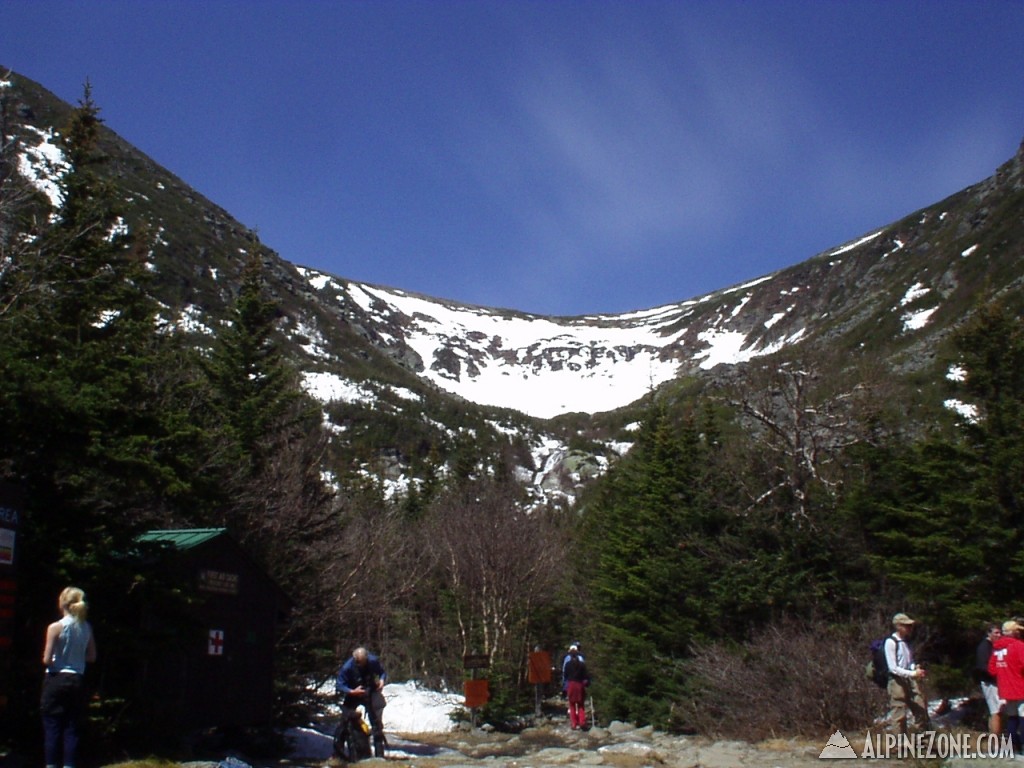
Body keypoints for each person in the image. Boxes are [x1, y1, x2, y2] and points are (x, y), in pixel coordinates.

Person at [41, 587, 97, 768]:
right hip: (77, 679)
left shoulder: (56, 627)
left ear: (62, 603)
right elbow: (92, 657)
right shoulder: (86, 627)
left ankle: (51, 765)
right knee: (72, 727)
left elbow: (47, 659)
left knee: (52, 726)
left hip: (56, 678)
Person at [336, 646, 387, 758]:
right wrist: (352, 691)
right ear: (355, 660)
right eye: (359, 662)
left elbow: (382, 672)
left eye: (363, 662)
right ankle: (337, 753)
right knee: (344, 722)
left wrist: (382, 680)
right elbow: (339, 684)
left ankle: (380, 755)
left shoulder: (373, 661)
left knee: (376, 725)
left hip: (369, 692)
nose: (361, 665)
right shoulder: (347, 667)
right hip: (353, 693)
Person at [883, 612, 929, 734]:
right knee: (899, 715)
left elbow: (909, 661)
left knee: (921, 709)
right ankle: (898, 745)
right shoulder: (890, 642)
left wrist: (915, 669)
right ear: (898, 626)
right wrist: (912, 673)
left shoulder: (906, 642)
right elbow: (893, 667)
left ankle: (924, 741)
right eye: (906, 625)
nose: (909, 628)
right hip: (897, 682)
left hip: (910, 680)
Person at [989, 620, 1024, 753]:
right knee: (1022, 717)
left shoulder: (997, 648)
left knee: (1012, 718)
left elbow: (992, 669)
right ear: (1014, 632)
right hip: (1020, 686)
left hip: (1006, 688)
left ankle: (1013, 746)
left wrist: (1004, 672)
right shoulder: (1019, 645)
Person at [975, 623, 1003, 735]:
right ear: (989, 633)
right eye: (996, 633)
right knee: (995, 711)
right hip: (989, 682)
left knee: (999, 711)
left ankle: (997, 737)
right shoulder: (984, 647)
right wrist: (996, 674)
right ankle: (995, 741)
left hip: (996, 682)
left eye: (1000, 632)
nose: (999, 635)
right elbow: (983, 666)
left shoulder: (995, 646)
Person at [563, 645, 590, 730]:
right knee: (581, 705)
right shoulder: (582, 665)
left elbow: (565, 675)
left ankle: (574, 724)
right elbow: (586, 675)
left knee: (572, 705)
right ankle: (582, 722)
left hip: (571, 684)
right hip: (579, 685)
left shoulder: (567, 664)